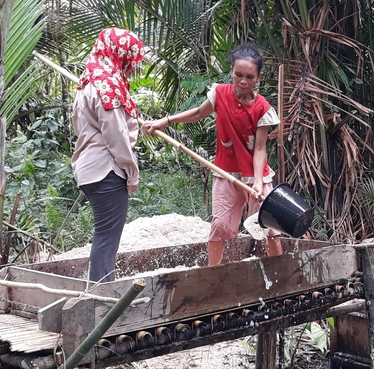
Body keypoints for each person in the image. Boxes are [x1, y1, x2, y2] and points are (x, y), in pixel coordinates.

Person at [142, 44, 282, 266]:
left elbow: (259, 149)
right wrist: (166, 121)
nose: (243, 81)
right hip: (225, 172)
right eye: (238, 75)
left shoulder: (262, 108)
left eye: (249, 77)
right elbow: (198, 113)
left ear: (258, 78)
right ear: (231, 71)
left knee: (267, 225)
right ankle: (212, 273)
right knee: (220, 226)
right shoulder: (220, 94)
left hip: (256, 176)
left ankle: (282, 272)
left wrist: (257, 182)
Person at [71, 28, 147, 283]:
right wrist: (132, 172)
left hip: (89, 168)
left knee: (104, 236)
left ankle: (101, 292)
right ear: (119, 54)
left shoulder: (89, 80)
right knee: (107, 239)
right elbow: (116, 134)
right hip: (107, 169)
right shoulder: (108, 86)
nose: (132, 68)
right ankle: (102, 296)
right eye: (131, 60)